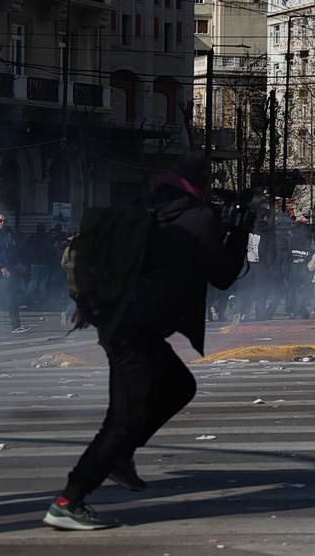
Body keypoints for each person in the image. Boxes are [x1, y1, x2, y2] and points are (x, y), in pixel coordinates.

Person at [43, 154, 247, 530]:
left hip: (123, 323)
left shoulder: (145, 208)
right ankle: (68, 500)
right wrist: (238, 233)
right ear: (201, 186)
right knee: (120, 423)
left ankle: (120, 457)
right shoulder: (196, 217)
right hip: (133, 329)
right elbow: (222, 275)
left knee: (180, 385)